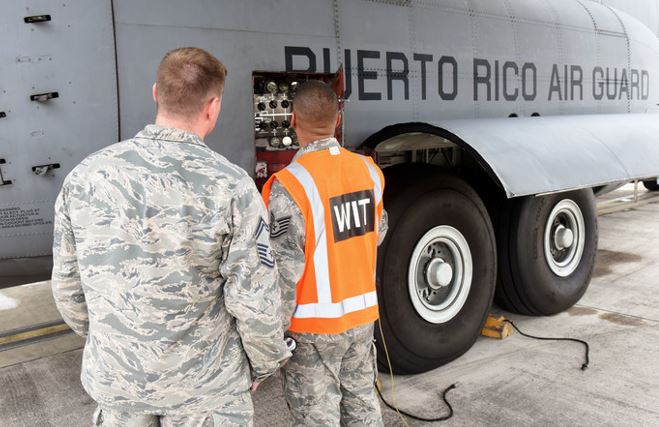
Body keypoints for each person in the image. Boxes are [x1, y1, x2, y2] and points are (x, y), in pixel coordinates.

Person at [51, 47, 290, 427]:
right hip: (206, 390)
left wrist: (117, 343)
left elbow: (67, 289)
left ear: (155, 94)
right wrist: (263, 365)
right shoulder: (230, 187)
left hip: (119, 386)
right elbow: (255, 300)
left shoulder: (86, 178)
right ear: (213, 106)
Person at [262, 80, 387, 426]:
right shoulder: (369, 172)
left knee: (317, 417)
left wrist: (270, 341)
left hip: (312, 331)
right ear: (337, 121)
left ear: (292, 121)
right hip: (361, 319)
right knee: (362, 406)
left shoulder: (289, 184)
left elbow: (282, 272)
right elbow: (379, 232)